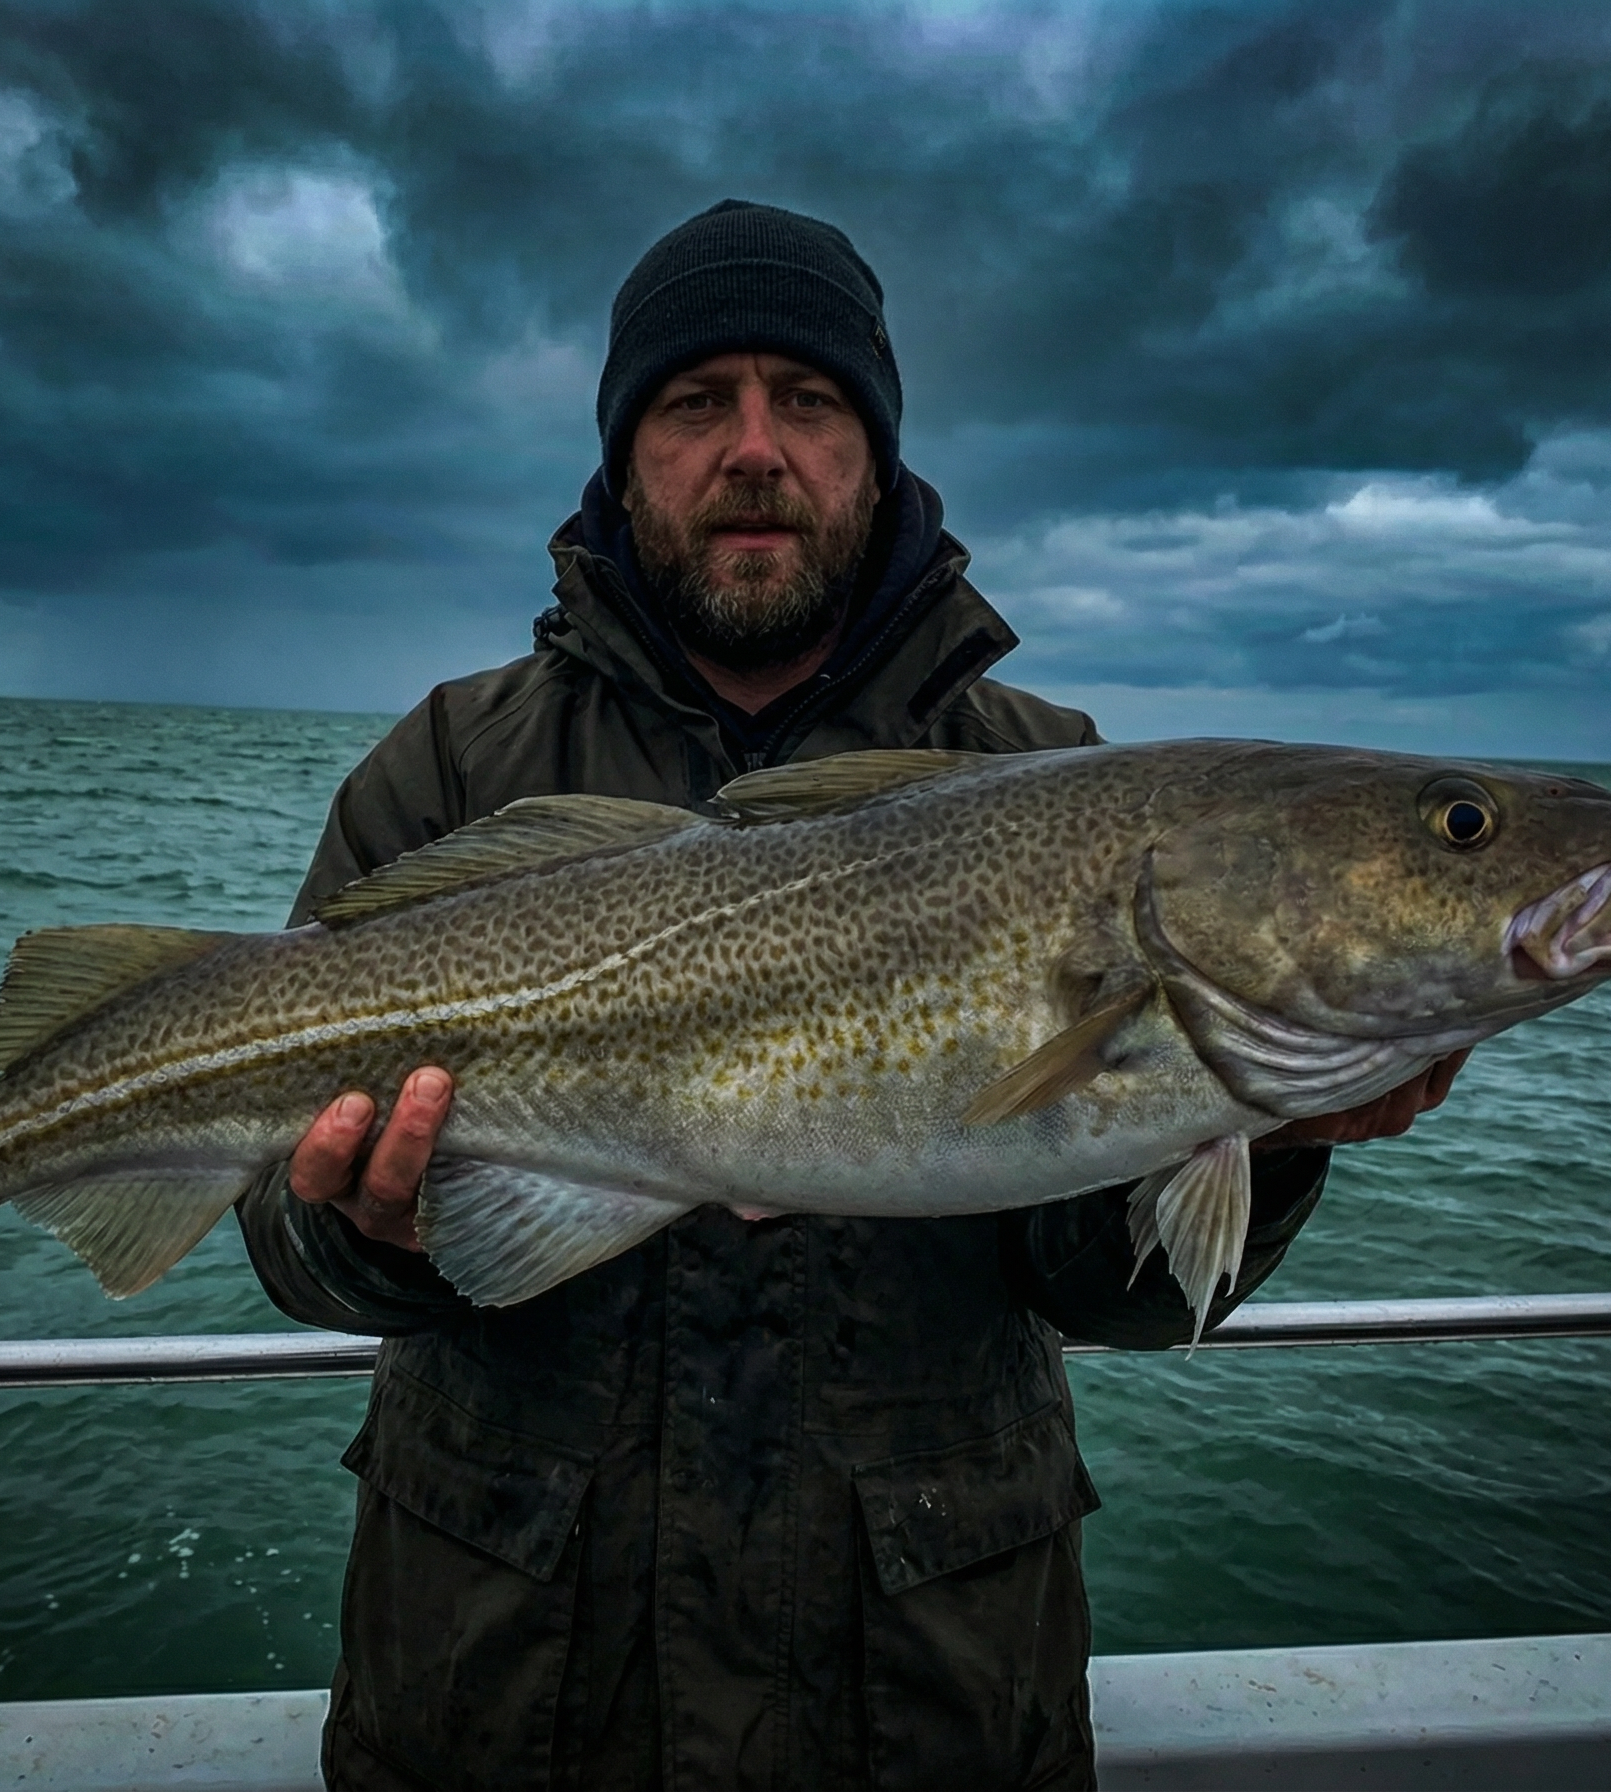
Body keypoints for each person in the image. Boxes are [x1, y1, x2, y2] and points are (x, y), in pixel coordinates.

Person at [235, 200, 1463, 1792]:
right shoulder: (453, 770)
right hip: (505, 1691)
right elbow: (289, 1240)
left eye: (808, 401)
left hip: (924, 1706)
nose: (756, 449)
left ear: (875, 447)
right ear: (623, 457)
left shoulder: (1043, 773)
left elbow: (1116, 1294)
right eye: (696, 403)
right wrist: (358, 1228)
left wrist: (1274, 1132)